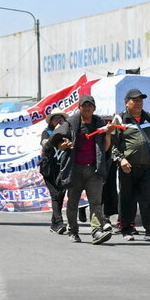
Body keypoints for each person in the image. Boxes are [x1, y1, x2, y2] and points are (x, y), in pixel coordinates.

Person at [51, 94, 114, 244]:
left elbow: (105, 148)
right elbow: (57, 141)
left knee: (96, 202)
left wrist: (108, 135)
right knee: (73, 203)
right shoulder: (71, 123)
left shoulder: (99, 123)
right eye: (84, 106)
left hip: (94, 170)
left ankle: (96, 231)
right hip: (75, 170)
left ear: (94, 108)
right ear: (79, 107)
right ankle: (73, 231)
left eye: (90, 106)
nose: (87, 108)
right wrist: (63, 145)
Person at [110, 88, 150, 242]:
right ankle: (126, 230)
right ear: (126, 102)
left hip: (146, 167)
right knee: (127, 199)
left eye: (140, 100)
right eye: (134, 100)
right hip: (126, 168)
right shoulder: (120, 119)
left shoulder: (149, 117)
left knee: (148, 198)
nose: (138, 103)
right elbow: (113, 145)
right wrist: (121, 159)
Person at [39, 108, 68, 234]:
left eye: (61, 119)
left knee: (60, 194)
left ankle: (54, 223)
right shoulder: (46, 132)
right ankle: (60, 222)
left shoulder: (66, 134)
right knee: (55, 194)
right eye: (56, 119)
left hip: (62, 168)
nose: (58, 121)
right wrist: (55, 133)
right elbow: (45, 145)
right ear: (51, 121)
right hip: (49, 168)